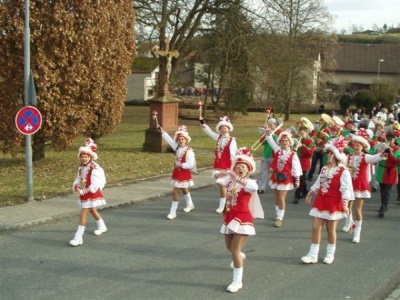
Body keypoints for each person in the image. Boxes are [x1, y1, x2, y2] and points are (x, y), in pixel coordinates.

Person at [218, 147, 264, 293]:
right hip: (229, 217)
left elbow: (253, 188)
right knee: (230, 248)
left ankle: (237, 281)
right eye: (238, 166)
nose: (240, 168)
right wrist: (223, 173)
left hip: (243, 218)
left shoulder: (250, 183)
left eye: (243, 166)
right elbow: (219, 179)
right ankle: (240, 255)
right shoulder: (231, 182)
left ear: (248, 169)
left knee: (235, 251)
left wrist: (236, 177)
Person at [301, 137, 353, 264]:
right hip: (321, 201)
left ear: (335, 155)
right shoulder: (324, 169)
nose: (327, 155)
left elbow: (345, 189)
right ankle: (313, 254)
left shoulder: (343, 171)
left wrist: (345, 204)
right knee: (315, 228)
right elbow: (318, 183)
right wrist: (310, 193)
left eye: (329, 153)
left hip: (334, 202)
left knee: (330, 229)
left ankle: (330, 254)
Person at [343, 129, 384, 243]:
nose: (356, 147)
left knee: (358, 209)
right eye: (355, 145)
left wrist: (383, 153)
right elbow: (343, 167)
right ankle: (349, 222)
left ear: (362, 147)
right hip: (350, 184)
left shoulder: (365, 157)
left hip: (361, 184)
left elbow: (375, 158)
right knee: (347, 206)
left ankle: (357, 233)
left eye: (358, 145)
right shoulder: (349, 157)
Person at [70, 138, 107, 247]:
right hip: (86, 192)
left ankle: (78, 238)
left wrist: (82, 191)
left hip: (92, 192)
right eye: (82, 157)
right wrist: (75, 185)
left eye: (86, 157)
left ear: (90, 157)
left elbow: (94, 186)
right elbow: (79, 178)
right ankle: (102, 226)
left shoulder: (94, 169)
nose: (84, 159)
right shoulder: (81, 168)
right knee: (92, 210)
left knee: (83, 213)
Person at [199, 115, 238, 213]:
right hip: (218, 163)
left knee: (224, 185)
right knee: (221, 184)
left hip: (227, 164)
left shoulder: (232, 140)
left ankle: (223, 205)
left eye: (225, 128)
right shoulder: (218, 137)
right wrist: (203, 123)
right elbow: (210, 132)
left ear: (228, 129)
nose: (223, 130)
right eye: (221, 128)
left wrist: (234, 167)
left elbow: (233, 154)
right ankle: (224, 204)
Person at [264, 129, 302, 227]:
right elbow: (270, 141)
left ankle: (280, 218)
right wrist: (268, 134)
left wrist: (297, 180)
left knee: (281, 198)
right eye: (283, 141)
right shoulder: (278, 150)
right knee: (276, 197)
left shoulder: (293, 154)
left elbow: (296, 168)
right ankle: (277, 215)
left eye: (286, 141)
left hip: (286, 179)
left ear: (290, 142)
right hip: (276, 177)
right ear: (280, 142)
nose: (284, 142)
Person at [158, 125, 195, 220]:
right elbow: (169, 140)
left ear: (186, 140)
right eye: (179, 139)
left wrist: (181, 165)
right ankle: (190, 204)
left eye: (182, 139)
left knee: (175, 191)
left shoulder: (189, 151)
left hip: (184, 172)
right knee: (183, 189)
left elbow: (190, 164)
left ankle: (173, 212)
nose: (180, 141)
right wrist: (162, 131)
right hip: (177, 172)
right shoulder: (177, 147)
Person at [376, 133, 400, 217]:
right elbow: (375, 156)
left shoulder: (397, 149)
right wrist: (379, 151)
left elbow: (396, 161)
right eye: (388, 139)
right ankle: (384, 205)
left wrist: (390, 153)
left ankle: (383, 208)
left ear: (394, 140)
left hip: (390, 171)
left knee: (387, 191)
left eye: (391, 140)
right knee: (382, 191)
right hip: (381, 170)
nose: (389, 141)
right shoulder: (382, 147)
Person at [256, 117, 282, 194]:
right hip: (265, 154)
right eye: (269, 125)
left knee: (276, 172)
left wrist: (272, 134)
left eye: (271, 125)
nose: (270, 126)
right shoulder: (266, 131)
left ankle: (278, 186)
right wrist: (266, 134)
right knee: (263, 172)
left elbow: (280, 141)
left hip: (275, 155)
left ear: (275, 124)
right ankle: (261, 188)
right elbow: (261, 142)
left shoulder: (280, 131)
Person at [294, 126, 316, 203]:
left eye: (302, 133)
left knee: (301, 178)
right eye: (299, 133)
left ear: (306, 133)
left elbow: (310, 153)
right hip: (298, 160)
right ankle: (305, 191)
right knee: (298, 178)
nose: (301, 135)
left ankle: (297, 196)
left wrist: (302, 146)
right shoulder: (298, 139)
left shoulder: (310, 141)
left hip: (305, 161)